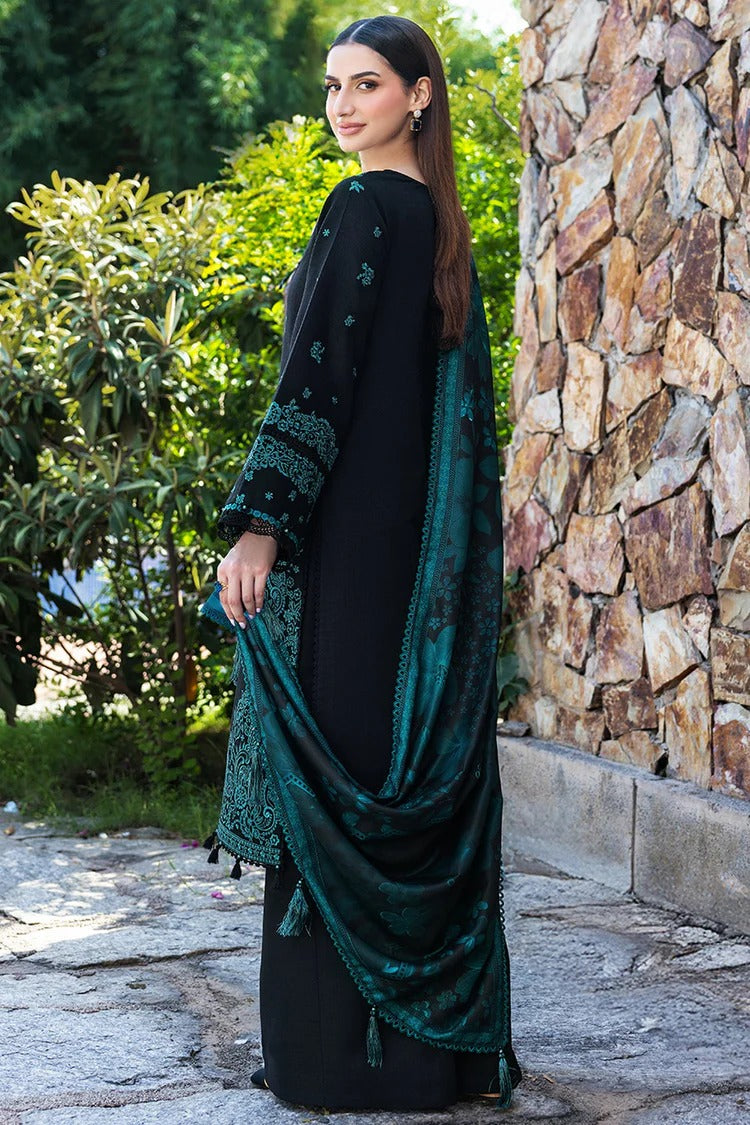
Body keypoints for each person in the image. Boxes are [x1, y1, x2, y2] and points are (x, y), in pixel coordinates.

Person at [199, 13, 523, 1112]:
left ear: (420, 95)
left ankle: (330, 1059)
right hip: (412, 572)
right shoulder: (438, 225)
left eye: (368, 84)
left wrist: (261, 523)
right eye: (335, 85)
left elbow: (316, 380)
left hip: (345, 557)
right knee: (384, 772)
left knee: (329, 792)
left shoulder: (363, 207)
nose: (343, 105)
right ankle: (432, 1059)